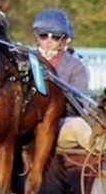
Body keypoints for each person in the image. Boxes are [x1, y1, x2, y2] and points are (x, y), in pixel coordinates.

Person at [33, 8, 94, 152]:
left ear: (64, 39)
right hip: (26, 126)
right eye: (43, 35)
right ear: (36, 36)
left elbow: (78, 105)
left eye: (55, 36)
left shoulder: (75, 66)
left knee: (78, 125)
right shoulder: (28, 60)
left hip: (59, 123)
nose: (48, 41)